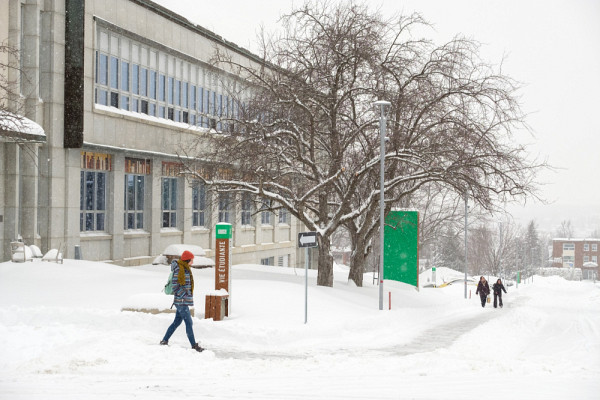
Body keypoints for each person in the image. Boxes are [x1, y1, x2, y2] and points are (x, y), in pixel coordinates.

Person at [160, 250, 204, 352]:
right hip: (181, 301)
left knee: (177, 322)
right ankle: (194, 345)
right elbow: (175, 286)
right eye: (192, 260)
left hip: (182, 301)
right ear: (188, 260)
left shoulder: (185, 268)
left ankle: (164, 340)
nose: (193, 261)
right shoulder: (180, 269)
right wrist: (184, 295)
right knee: (189, 322)